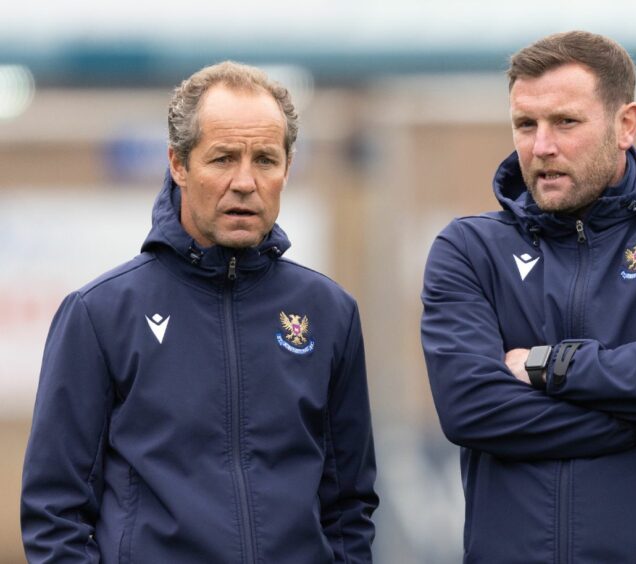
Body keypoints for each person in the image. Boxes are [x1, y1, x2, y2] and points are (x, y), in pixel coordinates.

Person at [421, 31, 636, 563]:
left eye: (566, 122)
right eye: (525, 124)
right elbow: (471, 410)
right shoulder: (469, 249)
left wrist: (545, 365)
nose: (542, 146)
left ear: (625, 124)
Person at [21, 61, 378, 563]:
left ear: (287, 168)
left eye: (265, 160)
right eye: (223, 158)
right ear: (178, 164)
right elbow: (54, 512)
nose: (245, 182)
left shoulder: (330, 313)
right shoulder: (99, 314)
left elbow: (349, 509)